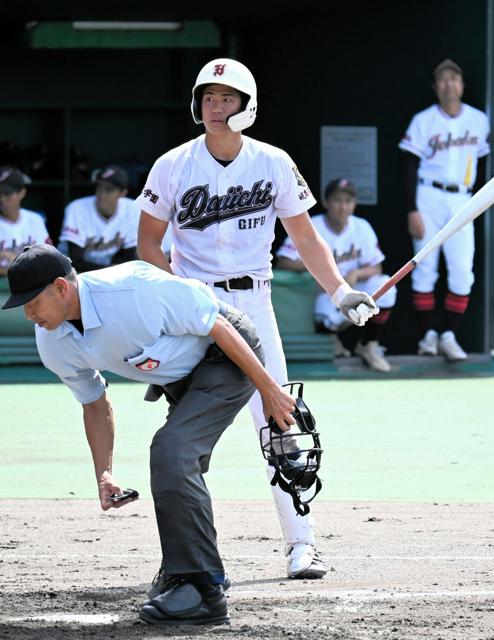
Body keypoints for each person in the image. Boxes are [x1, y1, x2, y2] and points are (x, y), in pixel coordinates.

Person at [135, 58, 378, 579]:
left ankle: (302, 544)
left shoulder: (272, 162)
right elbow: (148, 243)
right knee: (185, 439)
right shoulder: (173, 164)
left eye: (226, 99)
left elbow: (307, 239)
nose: (215, 107)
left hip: (254, 304)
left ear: (247, 106)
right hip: (193, 310)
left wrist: (340, 292)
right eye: (208, 97)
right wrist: (180, 293)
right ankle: (181, 561)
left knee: (282, 426)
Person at [1, 243, 298, 626]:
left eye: (32, 302)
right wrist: (104, 474)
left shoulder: (133, 290)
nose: (28, 314)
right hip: (176, 376)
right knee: (176, 462)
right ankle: (185, 570)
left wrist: (270, 391)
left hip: (225, 354)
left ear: (61, 288)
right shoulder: (52, 340)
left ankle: (203, 590)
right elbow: (94, 402)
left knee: (171, 452)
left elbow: (219, 327)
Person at [398, 58, 490, 361]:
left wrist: (478, 200)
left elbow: (483, 162)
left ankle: (449, 334)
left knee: (462, 271)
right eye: (443, 79)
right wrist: (412, 209)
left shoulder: (478, 120)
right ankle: (428, 336)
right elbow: (410, 165)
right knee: (425, 268)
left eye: (455, 79)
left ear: (462, 85)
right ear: (436, 87)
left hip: (463, 197)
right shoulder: (424, 120)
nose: (450, 84)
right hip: (429, 194)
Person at [276, 178, 396, 372]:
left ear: (354, 204)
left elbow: (377, 268)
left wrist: (356, 273)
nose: (342, 207)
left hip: (352, 285)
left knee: (385, 288)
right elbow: (283, 262)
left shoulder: (361, 227)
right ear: (326, 202)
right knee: (328, 316)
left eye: (348, 201)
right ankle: (332, 341)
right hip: (324, 292)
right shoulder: (312, 226)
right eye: (337, 200)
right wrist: (315, 265)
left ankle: (369, 344)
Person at [58, 164, 167, 272]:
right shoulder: (77, 208)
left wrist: (112, 270)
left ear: (122, 193)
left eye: (108, 190)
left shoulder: (132, 209)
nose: (102, 194)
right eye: (99, 188)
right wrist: (112, 270)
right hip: (67, 270)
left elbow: (131, 257)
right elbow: (75, 261)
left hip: (104, 268)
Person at [0, 167, 51, 276]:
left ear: (22, 193)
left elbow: (49, 260)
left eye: (7, 194)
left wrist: (17, 263)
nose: (1, 199)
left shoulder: (34, 220)